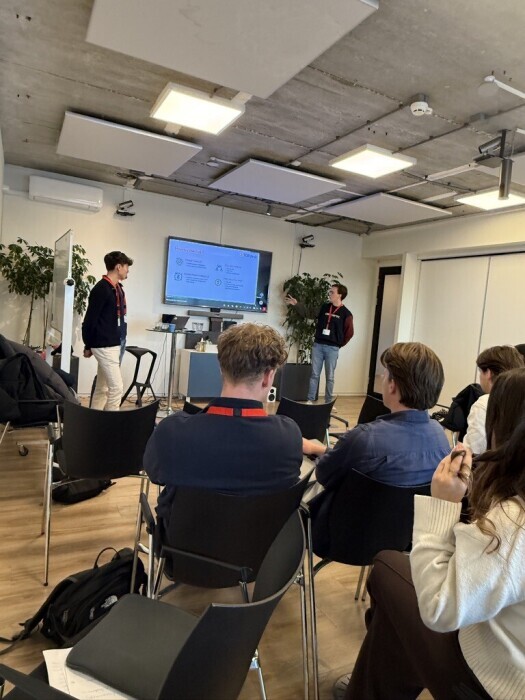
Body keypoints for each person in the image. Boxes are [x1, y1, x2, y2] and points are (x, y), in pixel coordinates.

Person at [334, 367, 525, 700]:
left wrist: (442, 505)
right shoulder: (438, 437)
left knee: (386, 567)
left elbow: (439, 609)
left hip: (491, 681)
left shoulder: (511, 523)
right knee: (395, 622)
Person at [144, 323, 303, 529]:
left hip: (183, 546)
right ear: (268, 377)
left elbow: (155, 473)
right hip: (261, 548)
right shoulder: (289, 437)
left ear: (221, 369)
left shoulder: (172, 432)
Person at [303, 342, 450, 556]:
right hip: (403, 542)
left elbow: (324, 474)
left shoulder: (365, 438)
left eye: (385, 374)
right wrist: (323, 449)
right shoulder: (441, 438)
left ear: (392, 385)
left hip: (344, 541)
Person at [285, 283, 354, 405]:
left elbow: (349, 333)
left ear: (340, 295)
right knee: (314, 374)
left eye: (332, 292)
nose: (329, 294)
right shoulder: (324, 307)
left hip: (332, 348)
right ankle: (310, 399)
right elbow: (308, 313)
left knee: (330, 377)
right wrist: (297, 304)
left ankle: (328, 402)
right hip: (318, 346)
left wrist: (338, 344)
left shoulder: (346, 314)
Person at [82, 251, 133, 411]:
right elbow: (90, 320)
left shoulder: (117, 289)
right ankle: (110, 423)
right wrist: (88, 344)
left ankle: (94, 420)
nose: (128, 270)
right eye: (126, 267)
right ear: (118, 267)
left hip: (114, 342)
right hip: (105, 345)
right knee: (116, 388)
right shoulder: (101, 289)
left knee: (102, 387)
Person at [463, 344, 524, 454]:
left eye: (480, 371)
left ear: (488, 373)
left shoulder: (483, 404)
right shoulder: (520, 401)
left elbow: (473, 452)